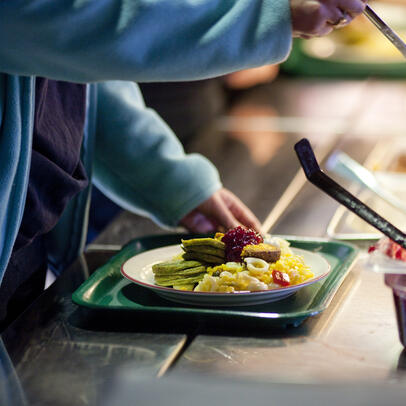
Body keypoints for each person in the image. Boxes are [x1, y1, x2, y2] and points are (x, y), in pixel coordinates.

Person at [0, 0, 366, 329]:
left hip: (25, 235)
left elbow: (82, 71)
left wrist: (172, 178)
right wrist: (268, 14)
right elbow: (53, 21)